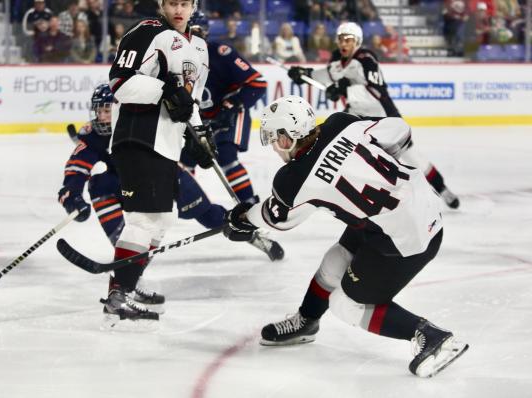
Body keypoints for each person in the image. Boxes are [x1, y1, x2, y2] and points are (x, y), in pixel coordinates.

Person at [222, 95, 469, 378]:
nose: (274, 148)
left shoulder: (294, 179)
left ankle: (431, 337)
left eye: (275, 139)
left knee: (347, 304)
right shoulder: (340, 123)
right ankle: (307, 321)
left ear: (288, 137)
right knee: (335, 261)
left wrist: (241, 219)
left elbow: (276, 219)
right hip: (416, 207)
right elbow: (399, 129)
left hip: (404, 238)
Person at [102, 0, 210, 325]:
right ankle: (117, 295)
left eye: (184, 3)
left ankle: (128, 286)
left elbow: (186, 100)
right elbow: (120, 82)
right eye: (172, 2)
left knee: (160, 222)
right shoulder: (149, 31)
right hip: (139, 138)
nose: (179, 9)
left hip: (165, 143)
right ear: (162, 4)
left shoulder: (192, 48)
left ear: (193, 6)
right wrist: (165, 91)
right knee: (145, 220)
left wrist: (200, 134)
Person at [287, 22, 460, 209]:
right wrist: (304, 74)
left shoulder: (366, 59)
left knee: (413, 159)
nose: (343, 43)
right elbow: (327, 76)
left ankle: (441, 189)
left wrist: (346, 88)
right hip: (358, 119)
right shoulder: (338, 61)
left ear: (357, 41)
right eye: (340, 39)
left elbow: (376, 91)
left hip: (385, 119)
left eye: (348, 39)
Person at [183, 11, 268, 205]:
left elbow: (257, 84)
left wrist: (231, 107)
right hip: (201, 118)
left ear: (205, 32)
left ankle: (249, 206)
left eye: (197, 31)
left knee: (227, 156)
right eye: (187, 31)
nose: (192, 37)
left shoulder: (222, 53)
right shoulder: (174, 58)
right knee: (184, 163)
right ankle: (193, 204)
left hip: (228, 113)